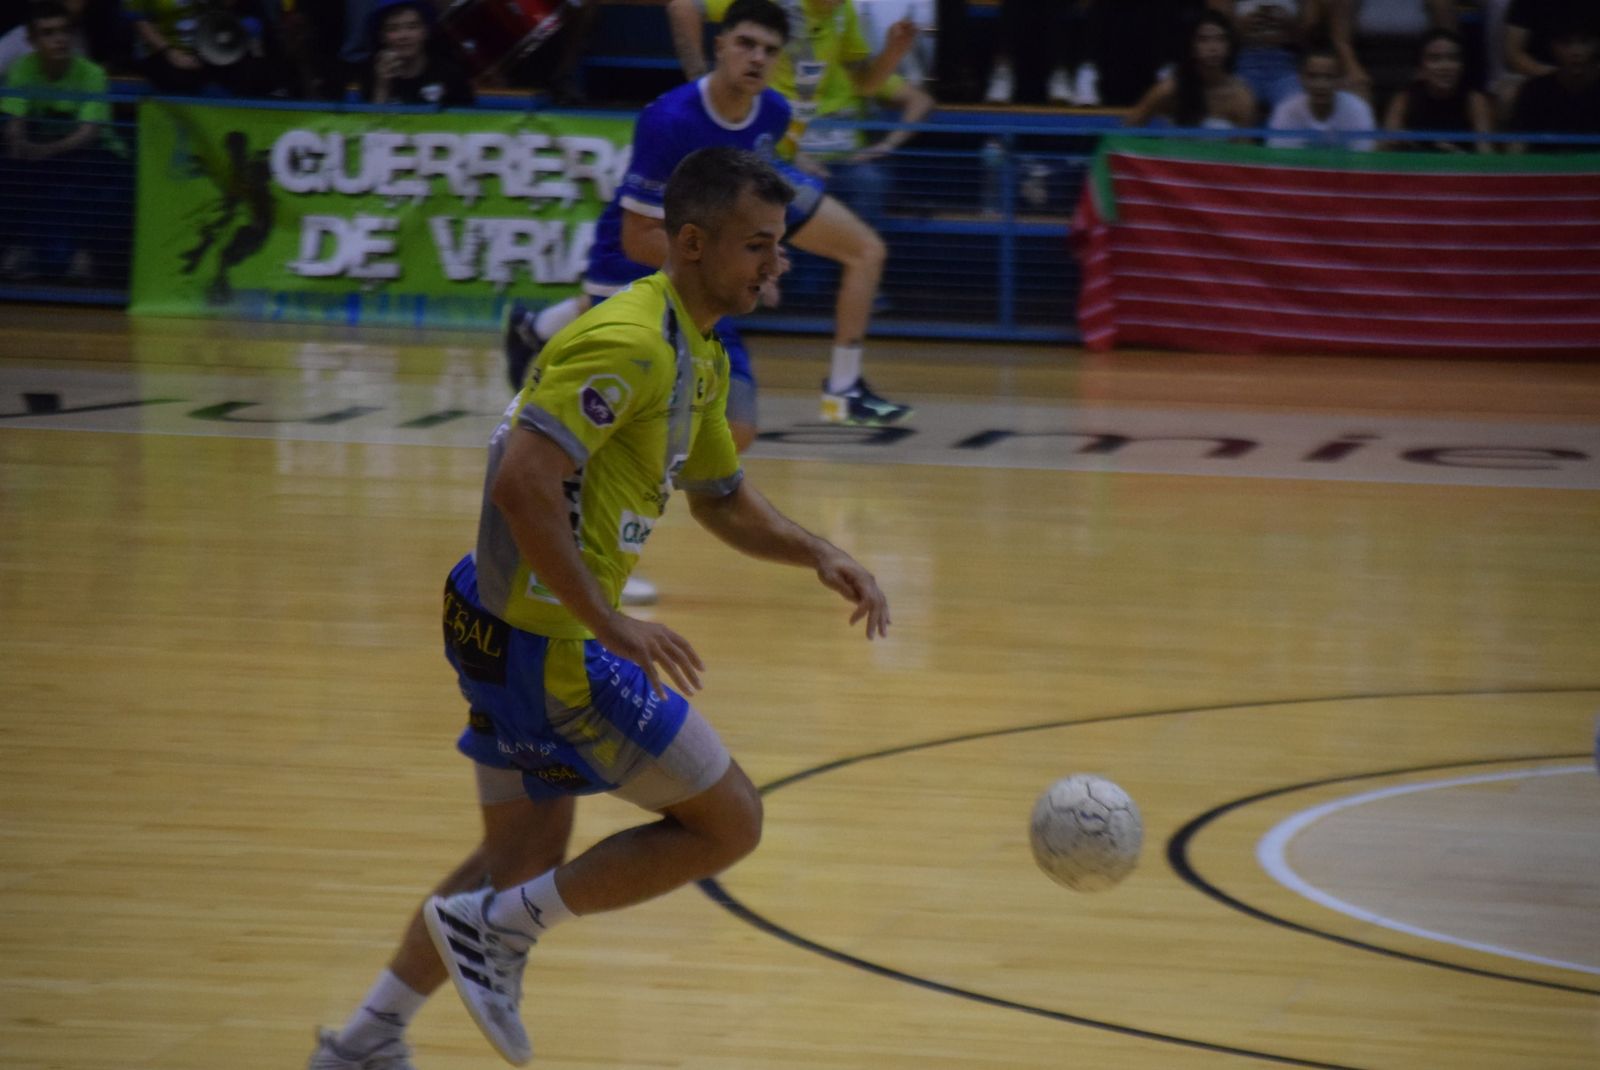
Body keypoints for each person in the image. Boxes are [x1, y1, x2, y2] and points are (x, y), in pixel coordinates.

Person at [305, 144, 891, 1070]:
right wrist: (610, 621)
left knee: (518, 862)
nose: (778, 264)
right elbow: (522, 483)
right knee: (730, 821)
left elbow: (720, 495)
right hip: (548, 643)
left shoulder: (692, 343)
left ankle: (365, 1040)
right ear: (692, 243)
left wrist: (819, 549)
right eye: (758, 246)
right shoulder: (627, 339)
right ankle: (497, 933)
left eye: (779, 245)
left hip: (497, 624)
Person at [663, 0, 918, 427]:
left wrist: (893, 52)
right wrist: (700, 85)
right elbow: (682, 6)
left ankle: (844, 389)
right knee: (657, 262)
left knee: (866, 251)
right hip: (737, 159)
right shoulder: (772, 7)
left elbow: (865, 84)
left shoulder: (843, 14)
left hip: (774, 163)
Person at [0, 0, 130, 282]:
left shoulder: (92, 74)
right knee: (10, 168)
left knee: (96, 177)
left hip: (96, 156)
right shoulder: (24, 69)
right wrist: (18, 143)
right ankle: (19, 249)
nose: (59, 39)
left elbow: (89, 133)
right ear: (32, 40)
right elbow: (15, 123)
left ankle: (81, 256)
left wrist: (42, 150)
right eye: (48, 33)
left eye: (64, 31)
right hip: (48, 155)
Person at [1125, 10, 1258, 130]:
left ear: (1229, 46)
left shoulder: (1241, 96)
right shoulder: (1170, 88)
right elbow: (1131, 125)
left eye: (1221, 39)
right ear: (1191, 46)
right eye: (1203, 39)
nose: (1213, 48)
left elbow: (1244, 149)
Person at [1382, 28, 1493, 152]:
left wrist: (1456, 155)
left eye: (1453, 58)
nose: (1445, 66)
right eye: (1435, 59)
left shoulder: (1474, 100)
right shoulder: (1405, 98)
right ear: (1420, 68)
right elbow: (1386, 145)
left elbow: (1486, 153)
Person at [1507, 16, 1600, 153]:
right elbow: (1516, 149)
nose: (1576, 52)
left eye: (1584, 42)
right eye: (1566, 43)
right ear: (1553, 47)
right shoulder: (1534, 91)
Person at [358, 0, 474, 106]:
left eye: (412, 27)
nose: (403, 36)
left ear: (425, 32)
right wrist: (383, 85)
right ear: (382, 36)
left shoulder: (451, 74)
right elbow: (371, 126)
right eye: (393, 29)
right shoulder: (372, 74)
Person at [1266, 43, 1377, 149]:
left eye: (1329, 77)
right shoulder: (1285, 112)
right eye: (1312, 76)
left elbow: (1363, 161)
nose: (1321, 85)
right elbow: (1278, 161)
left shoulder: (1358, 111)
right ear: (1301, 78)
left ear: (1340, 79)